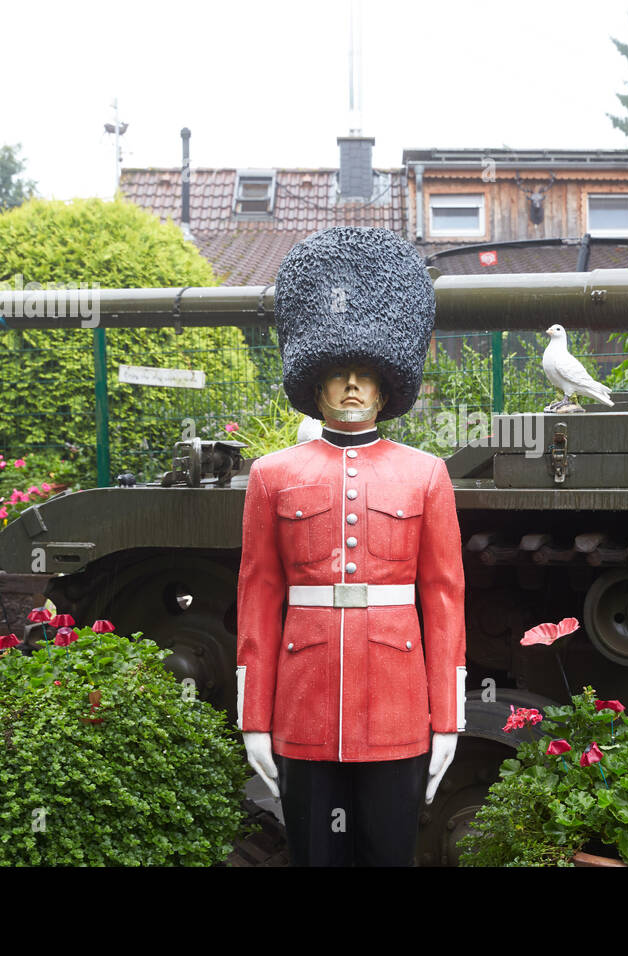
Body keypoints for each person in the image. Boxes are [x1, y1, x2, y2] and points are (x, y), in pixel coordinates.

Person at [236, 227, 466, 866]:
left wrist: (446, 716)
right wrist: (255, 714)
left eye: (367, 375)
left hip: (397, 702)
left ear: (387, 388)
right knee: (316, 854)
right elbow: (258, 594)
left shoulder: (426, 474)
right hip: (304, 700)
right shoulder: (273, 475)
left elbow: (444, 598)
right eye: (338, 374)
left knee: (391, 852)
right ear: (316, 387)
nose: (353, 387)